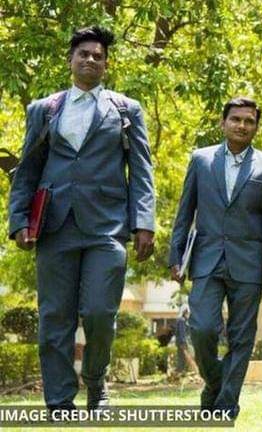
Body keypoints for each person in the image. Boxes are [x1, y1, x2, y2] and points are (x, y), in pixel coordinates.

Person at [7, 25, 155, 412]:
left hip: (107, 226)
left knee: (100, 312)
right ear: (70, 60)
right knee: (54, 316)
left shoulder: (125, 110)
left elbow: (142, 170)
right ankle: (58, 400)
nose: (90, 59)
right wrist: (18, 220)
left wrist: (144, 222)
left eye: (98, 56)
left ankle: (95, 380)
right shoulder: (44, 109)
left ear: (106, 65)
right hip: (54, 225)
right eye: (83, 54)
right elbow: (28, 169)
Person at [168, 96, 262, 418]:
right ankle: (215, 382)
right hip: (206, 260)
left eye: (249, 121)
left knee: (241, 338)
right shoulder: (201, 159)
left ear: (256, 127)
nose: (242, 125)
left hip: (249, 263)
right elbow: (185, 212)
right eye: (236, 119)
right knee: (202, 328)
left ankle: (225, 406)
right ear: (223, 123)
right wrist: (176, 255)